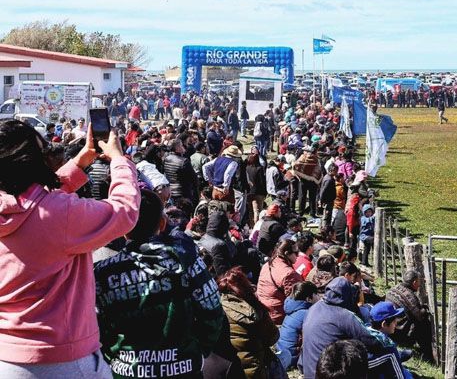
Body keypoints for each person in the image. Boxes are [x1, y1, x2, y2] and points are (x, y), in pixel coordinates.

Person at [0, 121, 140, 377]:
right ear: (31, 160)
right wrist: (120, 160)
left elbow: (33, 204)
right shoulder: (59, 214)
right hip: (60, 359)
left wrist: (82, 161)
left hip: (6, 356)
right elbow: (124, 211)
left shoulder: (22, 208)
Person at [94, 188, 225, 379]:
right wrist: (196, 350)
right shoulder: (187, 262)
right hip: (183, 369)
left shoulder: (102, 272)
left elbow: (93, 327)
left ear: (124, 228)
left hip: (127, 370)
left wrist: (114, 356)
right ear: (163, 223)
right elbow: (212, 311)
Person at [300, 276, 382, 379]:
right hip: (332, 372)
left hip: (311, 372)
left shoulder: (312, 309)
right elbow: (373, 342)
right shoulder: (344, 315)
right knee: (387, 352)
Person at [217, 266, 283, 379]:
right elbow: (273, 337)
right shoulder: (255, 308)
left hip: (231, 369)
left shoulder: (218, 309)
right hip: (258, 368)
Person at [386, 269, 435, 362]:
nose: (419, 284)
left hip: (389, 328)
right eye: (419, 282)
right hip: (399, 332)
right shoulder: (410, 297)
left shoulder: (393, 289)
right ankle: (428, 353)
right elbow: (419, 316)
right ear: (414, 282)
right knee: (425, 324)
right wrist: (425, 310)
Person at [256, 239, 304, 325]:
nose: (298, 255)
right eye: (296, 253)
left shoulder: (267, 265)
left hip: (263, 312)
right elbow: (297, 301)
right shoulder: (288, 273)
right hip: (278, 317)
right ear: (286, 253)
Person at [276, 281, 319, 372]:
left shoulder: (293, 308)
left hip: (282, 350)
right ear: (309, 299)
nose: (319, 297)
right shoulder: (307, 313)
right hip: (293, 356)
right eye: (316, 294)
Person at [367, 301, 414, 379]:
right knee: (406, 374)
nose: (396, 323)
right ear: (384, 324)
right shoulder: (387, 347)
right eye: (394, 321)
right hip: (377, 373)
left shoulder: (365, 330)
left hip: (370, 369)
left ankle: (398, 356)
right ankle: (398, 357)